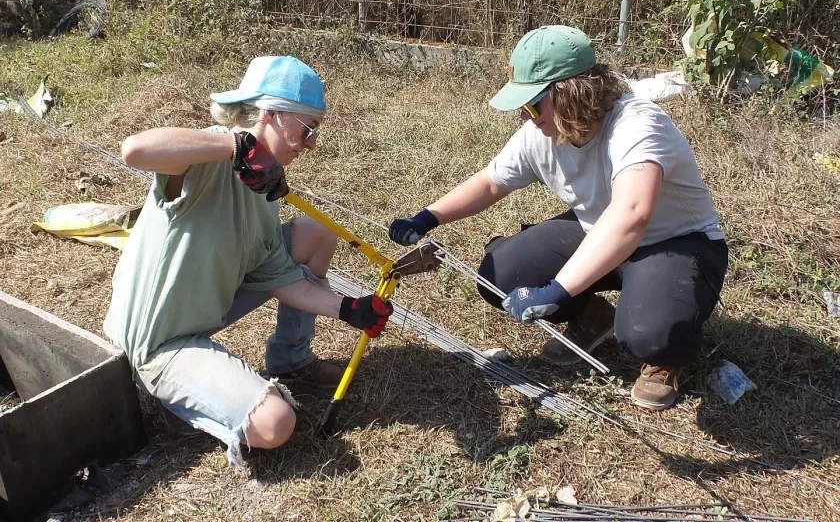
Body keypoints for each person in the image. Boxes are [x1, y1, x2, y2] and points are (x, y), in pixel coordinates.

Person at [388, 26, 728, 411]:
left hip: (674, 243)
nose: (526, 115)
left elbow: (632, 215)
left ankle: (663, 356)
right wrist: (427, 218)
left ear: (571, 94)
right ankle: (592, 316)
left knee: (649, 334)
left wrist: (557, 290)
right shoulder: (542, 132)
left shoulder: (636, 124)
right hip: (599, 230)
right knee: (502, 274)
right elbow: (491, 183)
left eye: (533, 104)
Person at [104, 55, 393, 469]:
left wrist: (349, 309)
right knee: (275, 423)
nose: (311, 143)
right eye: (308, 129)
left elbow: (279, 277)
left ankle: (292, 360)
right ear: (272, 114)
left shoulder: (263, 190)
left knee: (315, 233)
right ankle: (176, 401)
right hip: (157, 336)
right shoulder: (208, 154)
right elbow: (135, 150)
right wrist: (236, 145)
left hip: (201, 308)